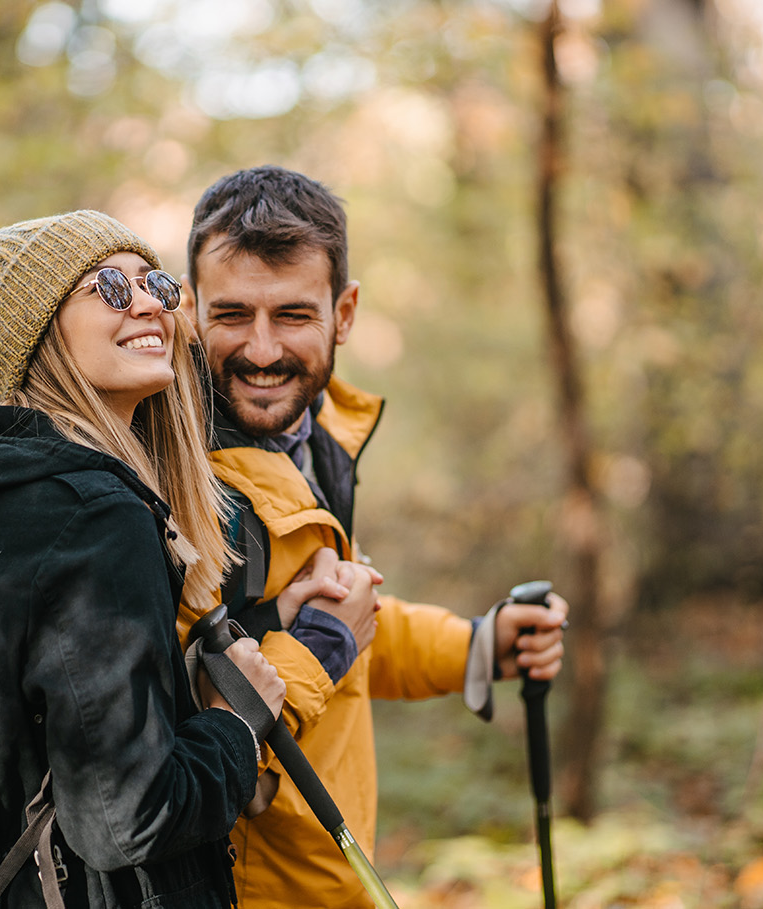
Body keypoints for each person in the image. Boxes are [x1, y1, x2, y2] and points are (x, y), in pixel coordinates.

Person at [0, 210, 286, 908]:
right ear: (35, 335)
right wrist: (234, 725)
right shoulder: (92, 518)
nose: (148, 305)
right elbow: (128, 818)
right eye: (106, 286)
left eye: (155, 283)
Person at [175, 166, 570, 908]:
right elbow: (174, 721)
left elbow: (350, 628)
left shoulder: (314, 443)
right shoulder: (179, 473)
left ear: (344, 312)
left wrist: (481, 644)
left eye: (292, 314)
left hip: (327, 881)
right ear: (191, 310)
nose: (261, 350)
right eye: (232, 314)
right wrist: (319, 641)